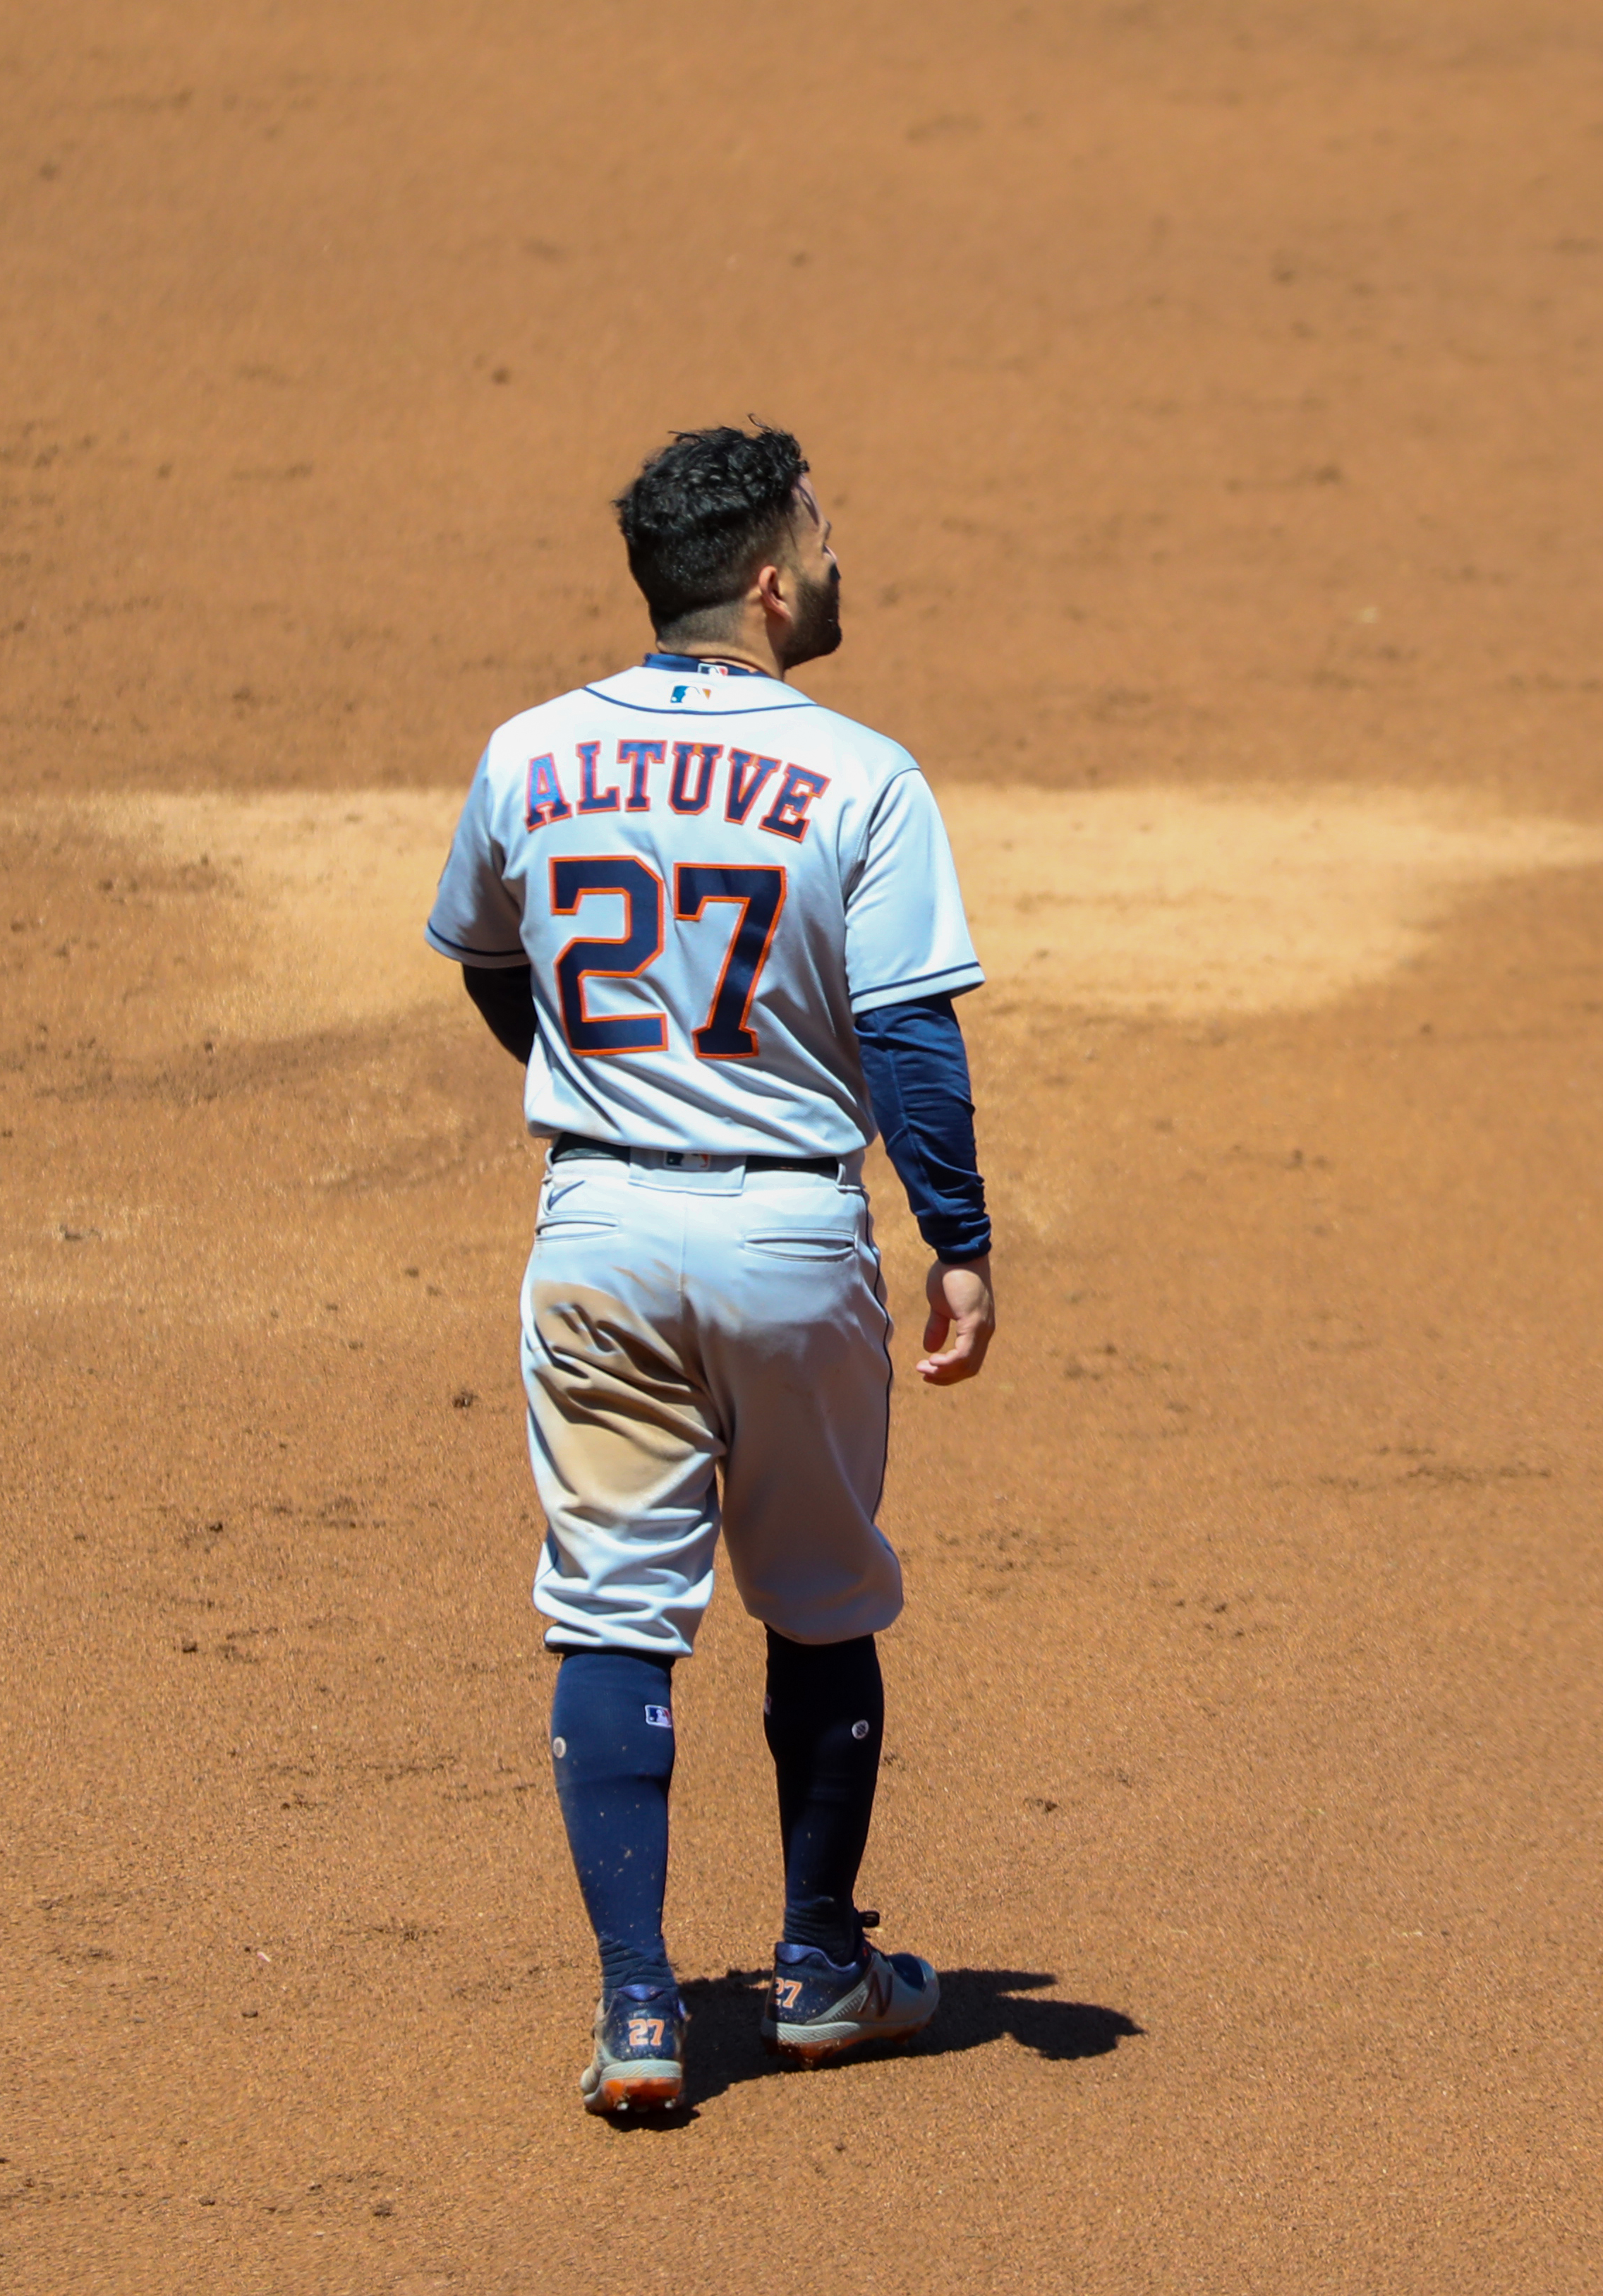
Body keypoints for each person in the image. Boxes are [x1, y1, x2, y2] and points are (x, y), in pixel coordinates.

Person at [423, 425, 998, 2118]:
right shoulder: (864, 774)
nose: (837, 560)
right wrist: (957, 1238)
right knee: (819, 1595)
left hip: (597, 1229)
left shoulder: (528, 751)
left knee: (611, 1608)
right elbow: (908, 1037)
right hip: (791, 1236)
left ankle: (640, 2012)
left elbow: (489, 958)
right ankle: (821, 1967)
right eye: (821, 535)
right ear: (765, 579)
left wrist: (614, 1079)